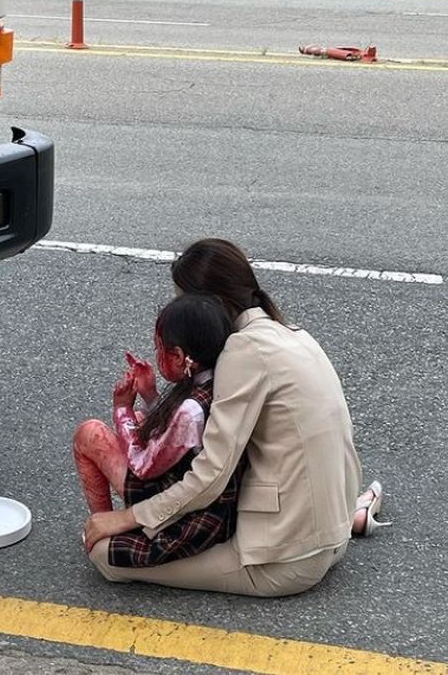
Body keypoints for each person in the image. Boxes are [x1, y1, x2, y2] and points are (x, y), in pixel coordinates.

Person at [83, 238, 387, 597]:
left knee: (105, 556)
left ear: (210, 305)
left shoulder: (243, 351)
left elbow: (210, 475)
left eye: (186, 302)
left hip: (283, 561)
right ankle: (354, 512)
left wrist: (127, 518)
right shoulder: (292, 334)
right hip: (329, 533)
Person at [73, 294, 247, 568]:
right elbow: (181, 437)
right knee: (144, 419)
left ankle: (104, 525)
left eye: (159, 348)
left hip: (186, 514)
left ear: (179, 356)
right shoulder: (217, 379)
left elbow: (143, 466)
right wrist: (151, 396)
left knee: (89, 434)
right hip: (214, 502)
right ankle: (112, 524)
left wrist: (122, 409)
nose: (156, 354)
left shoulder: (190, 411)